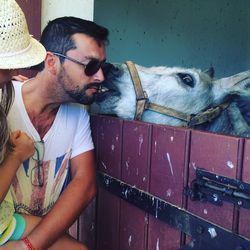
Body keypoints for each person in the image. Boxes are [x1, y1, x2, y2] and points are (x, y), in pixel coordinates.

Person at [3, 16, 109, 250]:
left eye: (103, 67)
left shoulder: (78, 113)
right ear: (51, 62)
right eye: (90, 66)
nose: (100, 77)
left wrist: (28, 246)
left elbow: (85, 183)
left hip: (28, 235)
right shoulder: (4, 100)